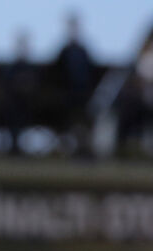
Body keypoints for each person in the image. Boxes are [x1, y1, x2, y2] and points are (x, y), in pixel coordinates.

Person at [54, 12, 94, 151]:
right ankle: (64, 149)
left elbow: (91, 72)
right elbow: (57, 73)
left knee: (83, 123)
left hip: (83, 93)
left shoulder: (83, 50)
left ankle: (83, 148)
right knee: (66, 122)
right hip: (67, 94)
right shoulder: (64, 51)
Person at [1, 31, 40, 153]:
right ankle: (13, 145)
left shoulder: (31, 67)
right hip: (13, 102)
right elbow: (6, 84)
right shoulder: (11, 67)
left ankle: (21, 145)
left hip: (28, 103)